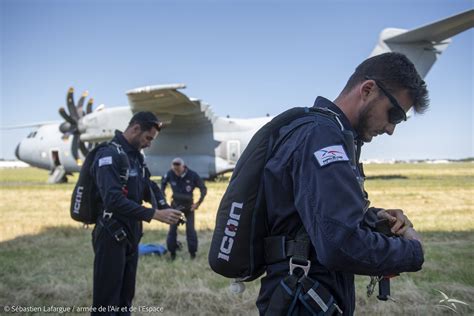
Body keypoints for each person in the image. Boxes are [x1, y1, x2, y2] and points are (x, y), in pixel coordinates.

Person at [257, 52, 428, 315]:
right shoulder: (322, 137)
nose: (391, 129)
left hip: (306, 294)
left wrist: (373, 219)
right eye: (393, 114)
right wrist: (412, 251)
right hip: (301, 299)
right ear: (368, 89)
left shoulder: (329, 134)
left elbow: (308, 217)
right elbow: (340, 244)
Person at [90, 111, 182, 315]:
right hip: (111, 233)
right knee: (106, 301)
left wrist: (163, 205)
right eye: (148, 138)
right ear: (135, 129)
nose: (149, 144)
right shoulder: (109, 155)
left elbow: (148, 185)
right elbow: (113, 200)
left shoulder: (136, 158)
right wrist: (152, 214)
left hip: (131, 234)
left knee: (125, 299)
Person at [161, 157, 207, 260]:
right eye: (174, 170)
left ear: (183, 166)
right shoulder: (170, 173)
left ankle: (192, 254)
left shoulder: (192, 175)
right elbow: (162, 185)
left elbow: (203, 188)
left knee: (190, 231)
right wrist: (164, 201)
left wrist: (198, 203)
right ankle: (172, 253)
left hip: (188, 209)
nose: (176, 172)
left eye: (178, 169)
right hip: (175, 208)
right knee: (172, 230)